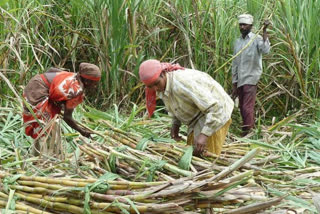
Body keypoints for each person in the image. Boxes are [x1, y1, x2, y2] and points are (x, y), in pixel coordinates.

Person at [139, 59, 234, 156]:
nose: (155, 88)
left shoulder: (181, 83)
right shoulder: (162, 88)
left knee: (206, 156)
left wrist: (204, 135)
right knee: (192, 154)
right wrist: (175, 125)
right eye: (150, 86)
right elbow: (174, 105)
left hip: (217, 112)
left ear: (163, 74)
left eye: (156, 83)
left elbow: (215, 107)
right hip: (197, 115)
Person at [23, 63, 101, 154]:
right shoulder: (76, 91)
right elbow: (67, 117)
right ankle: (44, 156)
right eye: (94, 83)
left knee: (45, 124)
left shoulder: (74, 76)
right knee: (44, 125)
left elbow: (51, 70)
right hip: (37, 90)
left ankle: (38, 154)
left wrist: (58, 98)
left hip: (36, 81)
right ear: (87, 81)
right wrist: (82, 131)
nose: (95, 86)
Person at [231, 14, 270, 136]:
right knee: (242, 106)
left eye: (244, 25)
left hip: (251, 77)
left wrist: (264, 31)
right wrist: (234, 81)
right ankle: (246, 128)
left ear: (251, 26)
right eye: (240, 25)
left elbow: (265, 50)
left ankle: (248, 132)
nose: (242, 27)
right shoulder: (238, 42)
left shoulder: (256, 39)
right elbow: (235, 63)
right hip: (240, 79)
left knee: (247, 106)